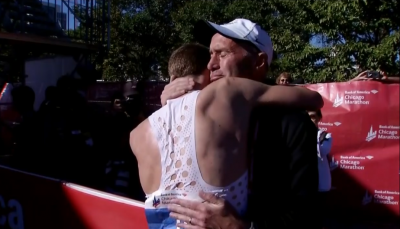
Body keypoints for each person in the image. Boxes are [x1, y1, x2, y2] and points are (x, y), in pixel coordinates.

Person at [130, 43, 323, 229]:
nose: (214, 65)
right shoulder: (224, 92)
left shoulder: (137, 135)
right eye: (213, 57)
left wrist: (169, 105)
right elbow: (314, 99)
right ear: (207, 74)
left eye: (222, 54)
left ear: (172, 78)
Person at [308, 109, 332, 228]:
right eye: (307, 117)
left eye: (312, 117)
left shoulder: (325, 136)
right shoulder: (298, 134)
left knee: (318, 217)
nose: (310, 120)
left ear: (318, 118)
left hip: (320, 184)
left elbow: (322, 151)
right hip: (304, 183)